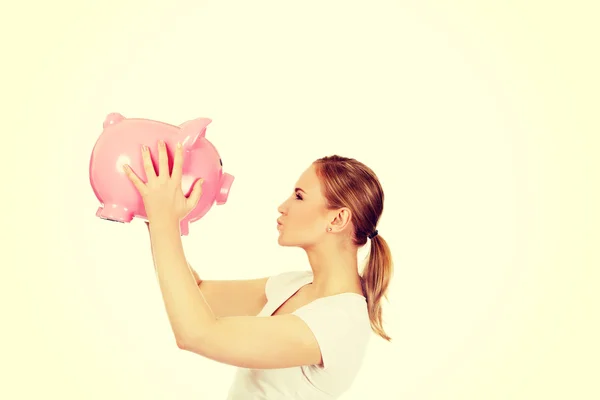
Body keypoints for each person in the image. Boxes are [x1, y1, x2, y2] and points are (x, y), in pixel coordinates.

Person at [124, 141, 394, 399]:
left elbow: (196, 334)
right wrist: (153, 216)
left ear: (337, 218)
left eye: (299, 196)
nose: (283, 206)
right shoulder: (295, 285)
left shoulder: (339, 321)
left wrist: (164, 221)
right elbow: (197, 292)